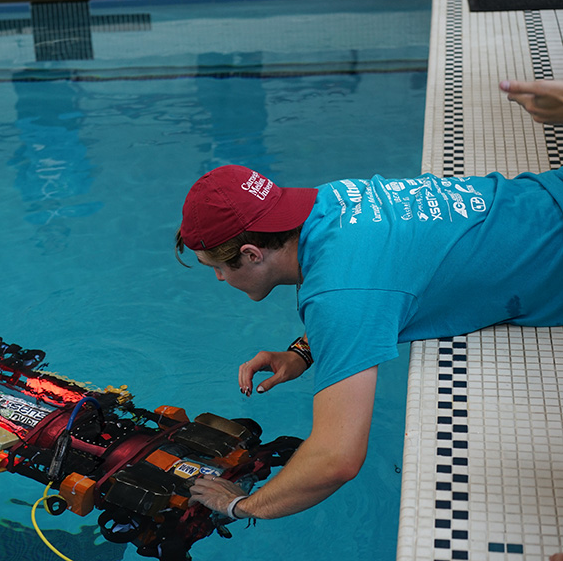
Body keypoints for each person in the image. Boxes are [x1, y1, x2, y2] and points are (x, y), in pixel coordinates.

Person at [179, 164, 563, 522]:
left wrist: (239, 504)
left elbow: (336, 459)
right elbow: (384, 263)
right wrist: (304, 350)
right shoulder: (332, 199)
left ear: (250, 254)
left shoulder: (340, 295)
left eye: (216, 267)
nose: (218, 279)